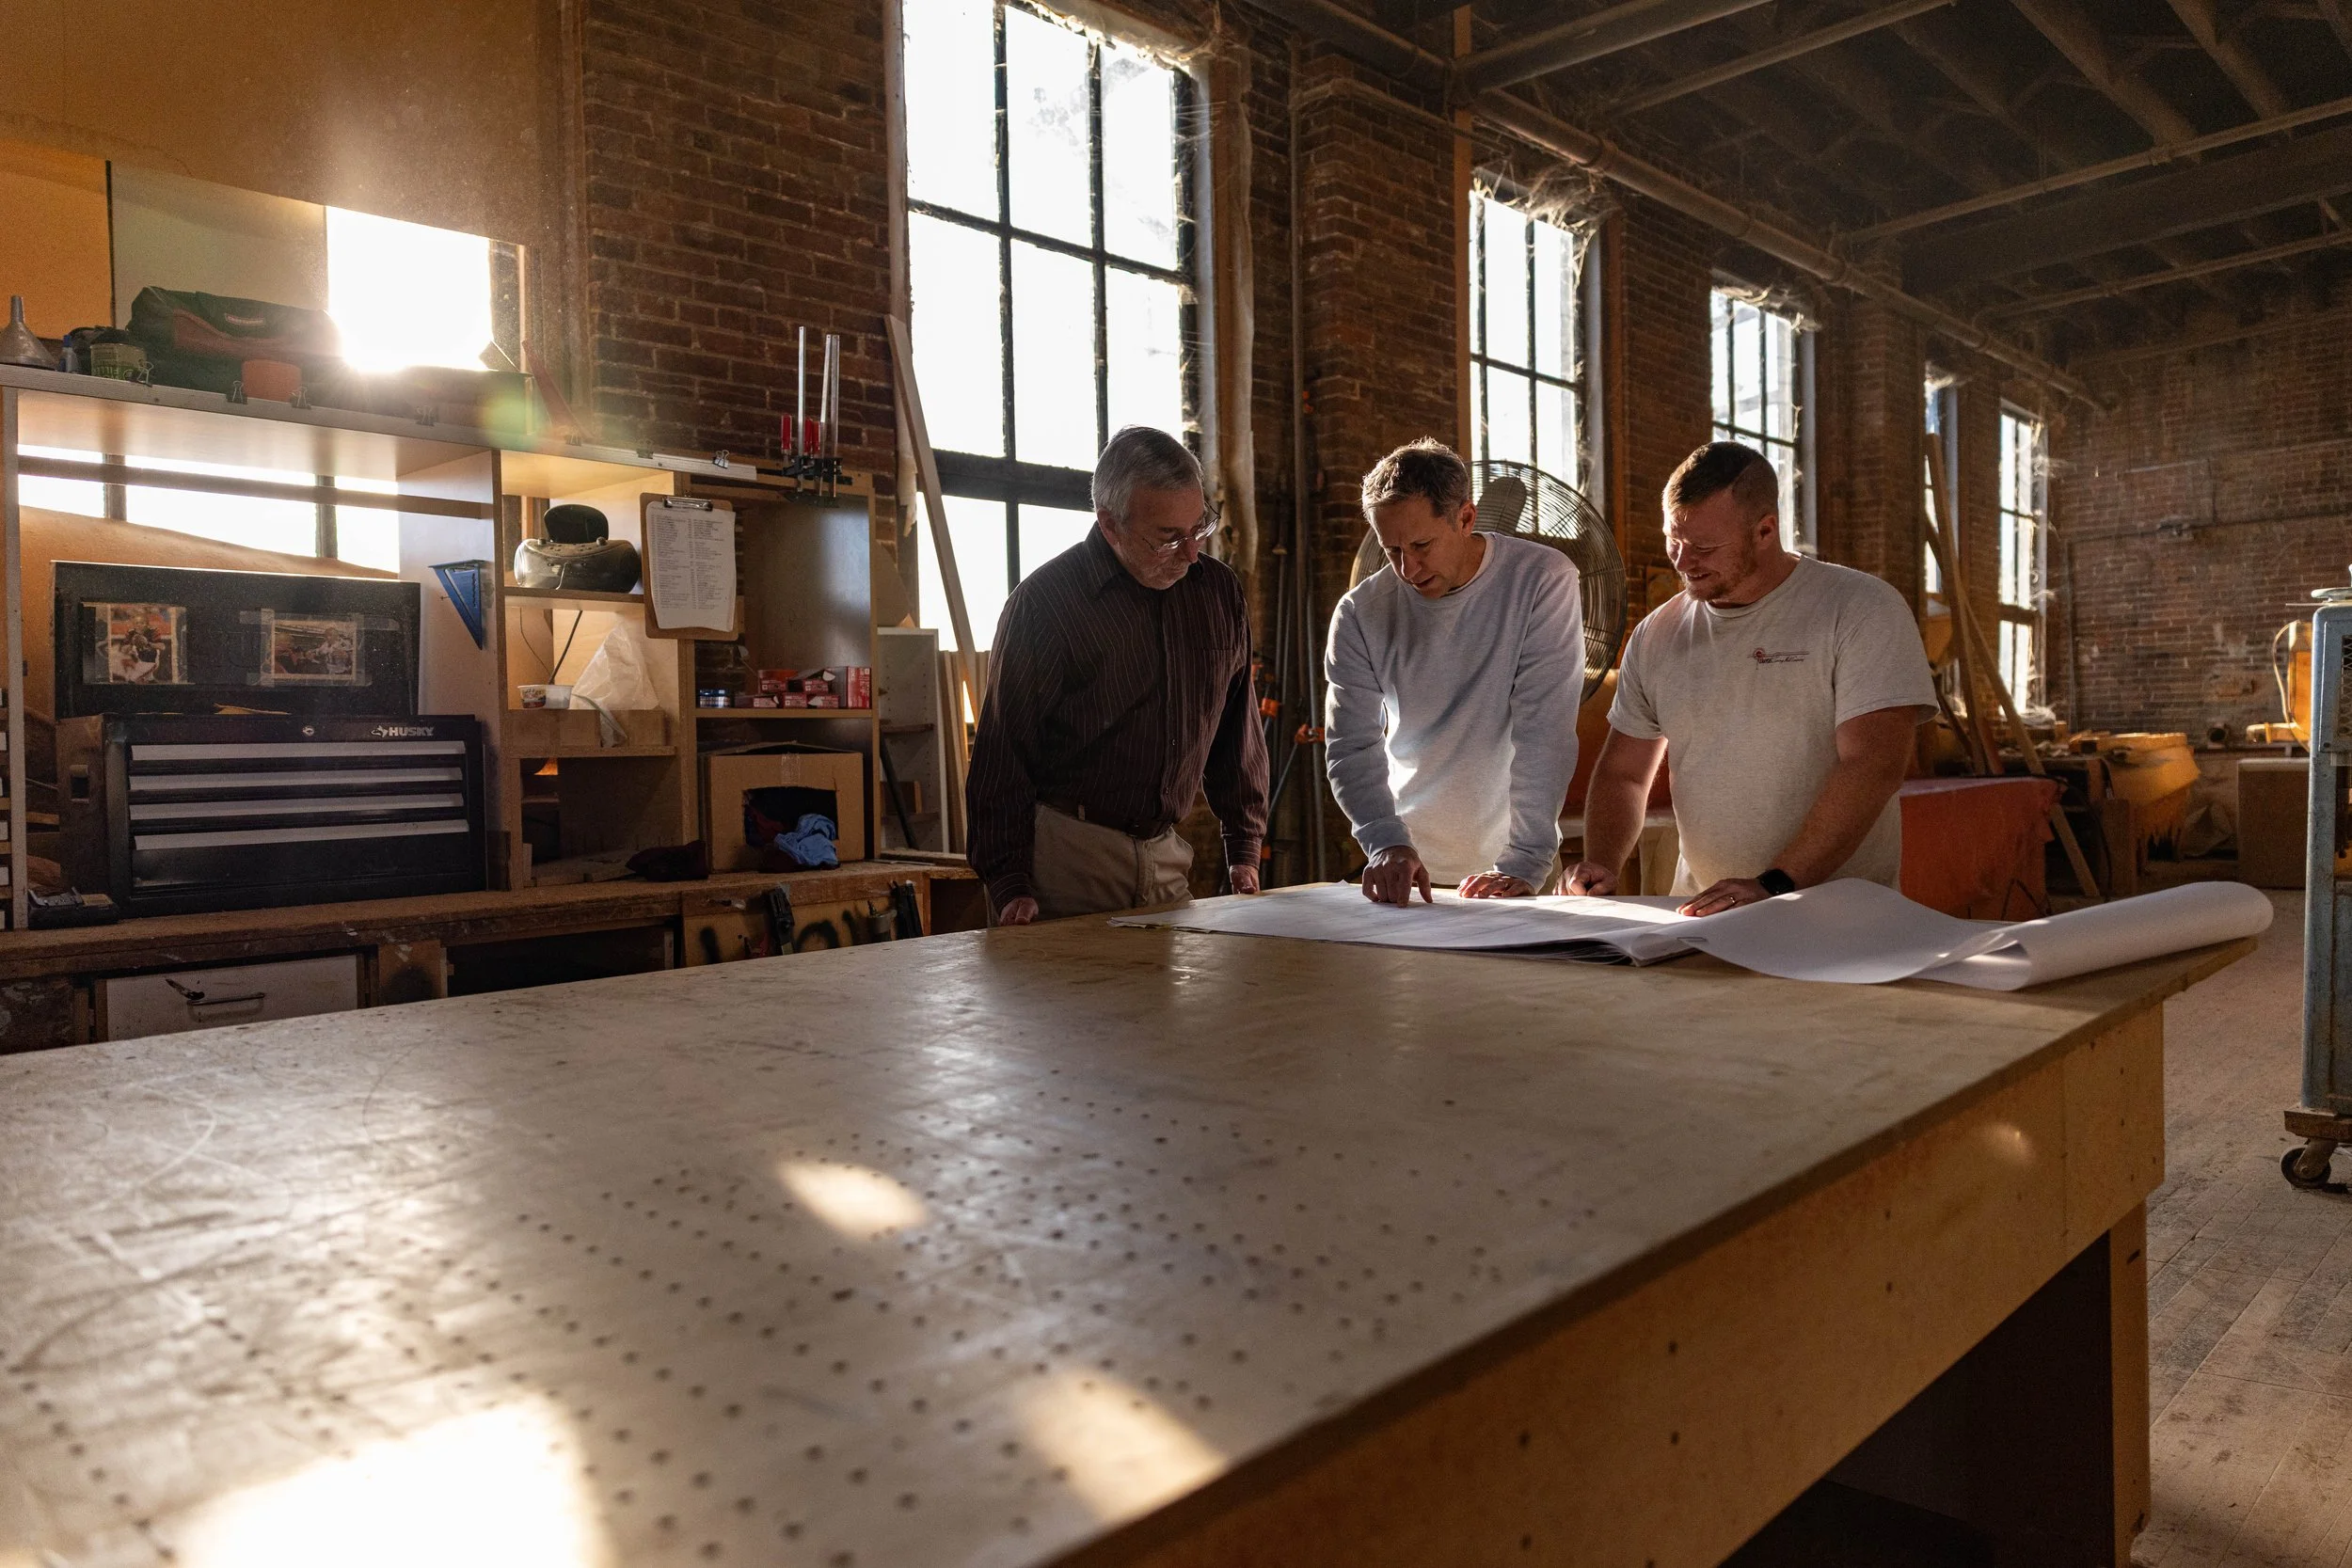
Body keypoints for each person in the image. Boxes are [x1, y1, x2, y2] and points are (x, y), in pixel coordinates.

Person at [1566, 441, 1935, 915]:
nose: (1682, 562)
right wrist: (1602, 860)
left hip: (1840, 917)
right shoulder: (1657, 634)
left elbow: (1873, 765)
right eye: (1673, 541)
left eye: (1704, 547)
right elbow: (1624, 774)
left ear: (1765, 530)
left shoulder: (1860, 608)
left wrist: (1776, 882)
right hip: (1705, 913)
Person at [966, 425, 1268, 924]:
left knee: (1170, 1004)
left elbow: (1236, 726)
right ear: (1110, 524)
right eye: (1168, 538)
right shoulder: (1045, 604)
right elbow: (1003, 751)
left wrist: (1244, 843)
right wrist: (1008, 880)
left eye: (1199, 527)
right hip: (1068, 858)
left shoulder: (1217, 593)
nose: (1193, 553)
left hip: (1167, 851)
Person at [1326, 438, 1585, 906]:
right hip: (1406, 864)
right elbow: (1351, 746)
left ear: (1466, 518)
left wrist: (1525, 860)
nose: (1408, 568)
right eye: (1392, 551)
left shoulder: (1542, 580)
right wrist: (1385, 841)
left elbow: (1543, 729)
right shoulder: (1361, 612)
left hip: (1519, 867)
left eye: (1422, 544)